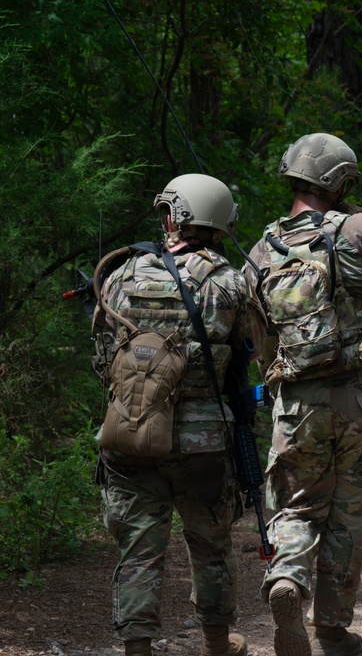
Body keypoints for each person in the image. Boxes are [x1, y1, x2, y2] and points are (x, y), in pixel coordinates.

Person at [246, 133, 362, 656]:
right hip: (361, 397)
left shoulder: (263, 248)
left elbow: (255, 334)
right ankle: (332, 628)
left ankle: (287, 580)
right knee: (350, 512)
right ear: (340, 181)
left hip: (296, 400)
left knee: (297, 506)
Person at [92, 174, 268, 656]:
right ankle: (216, 642)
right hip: (203, 441)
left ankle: (138, 649)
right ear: (220, 220)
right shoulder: (229, 281)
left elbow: (103, 357)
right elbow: (250, 351)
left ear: (172, 216)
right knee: (211, 544)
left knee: (138, 549)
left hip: (129, 431)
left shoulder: (120, 275)